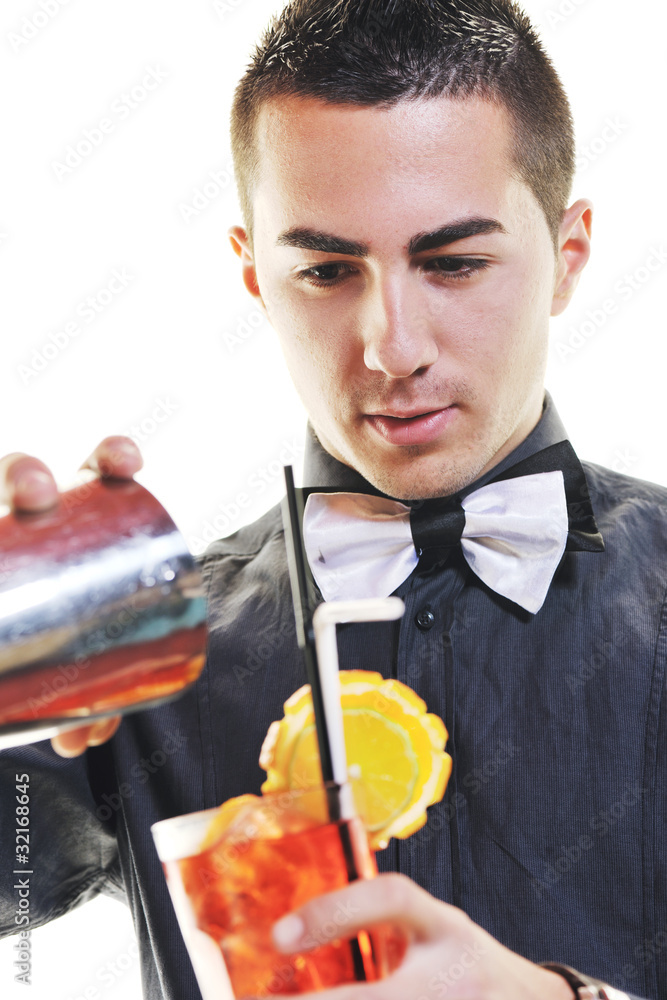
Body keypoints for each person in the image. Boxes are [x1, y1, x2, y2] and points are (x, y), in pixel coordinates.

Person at [1, 1, 664, 998]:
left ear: (568, 255)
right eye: (323, 269)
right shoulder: (132, 643)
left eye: (453, 262)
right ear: (253, 275)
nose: (392, 346)